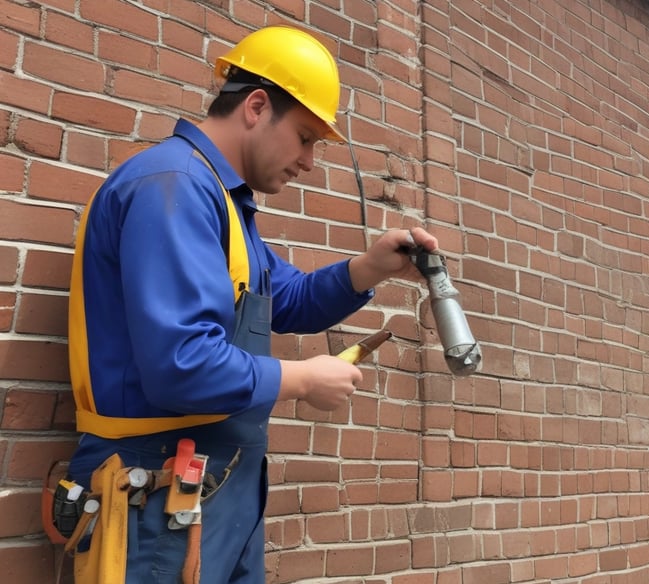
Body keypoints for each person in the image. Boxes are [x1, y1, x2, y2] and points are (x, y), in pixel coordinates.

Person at [64, 25, 438, 584]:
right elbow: (180, 364)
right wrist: (302, 380)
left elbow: (280, 300)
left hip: (208, 493)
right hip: (155, 493)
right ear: (257, 106)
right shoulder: (175, 186)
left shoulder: (219, 197)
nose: (310, 161)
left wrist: (369, 268)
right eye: (307, 138)